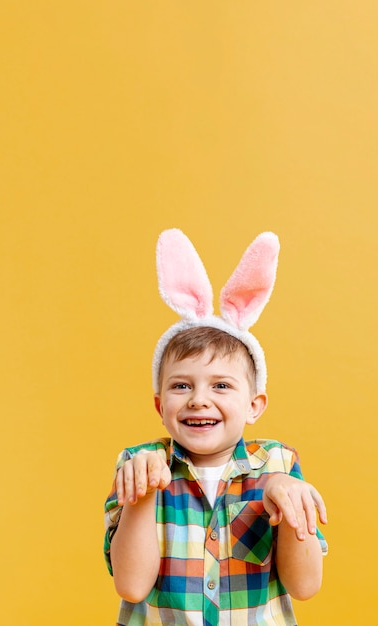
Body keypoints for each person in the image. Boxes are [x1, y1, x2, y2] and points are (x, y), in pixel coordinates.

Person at [104, 229, 328, 626]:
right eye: (181, 386)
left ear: (254, 405)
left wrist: (288, 504)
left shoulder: (278, 462)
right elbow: (132, 587)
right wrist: (141, 497)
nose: (198, 400)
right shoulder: (137, 463)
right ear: (160, 406)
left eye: (221, 385)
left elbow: (305, 586)